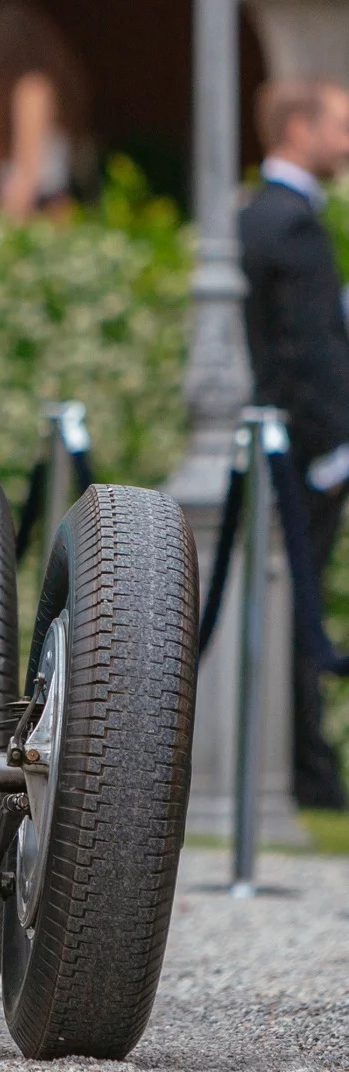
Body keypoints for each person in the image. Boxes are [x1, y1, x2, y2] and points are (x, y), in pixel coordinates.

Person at [240, 78, 349, 810]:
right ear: (300, 130)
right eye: (340, 125)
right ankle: (308, 771)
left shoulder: (255, 215)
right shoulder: (294, 224)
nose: (346, 142)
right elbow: (309, 354)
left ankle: (302, 766)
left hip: (282, 449)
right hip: (304, 455)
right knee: (298, 608)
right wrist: (334, 450)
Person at [0, 1, 92, 222]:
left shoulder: (32, 89)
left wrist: (2, 223)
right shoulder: (19, 91)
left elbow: (28, 174)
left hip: (42, 213)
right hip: (31, 210)